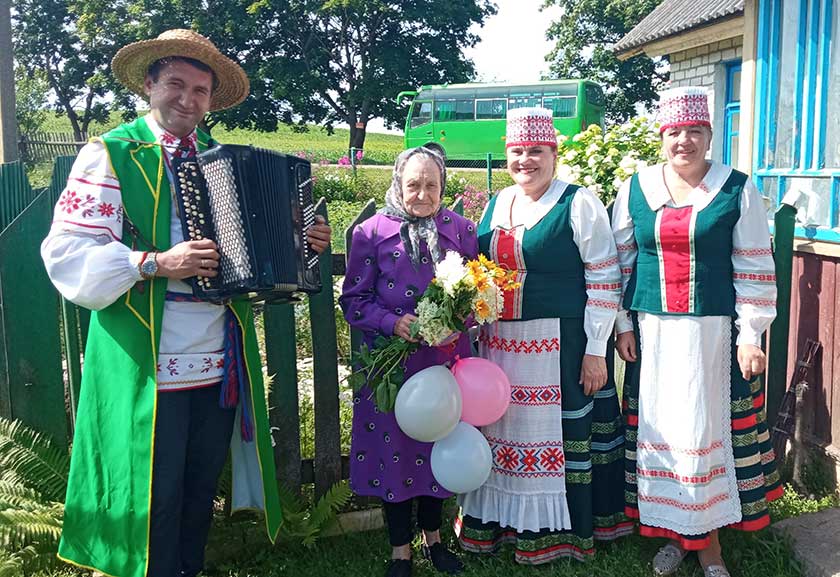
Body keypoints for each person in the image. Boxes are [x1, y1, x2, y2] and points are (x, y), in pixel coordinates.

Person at [41, 29, 332, 577]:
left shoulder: (220, 161)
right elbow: (66, 253)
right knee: (151, 495)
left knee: (199, 490)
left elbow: (251, 258)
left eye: (200, 90)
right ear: (150, 85)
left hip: (217, 359)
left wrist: (300, 242)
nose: (188, 99)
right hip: (145, 359)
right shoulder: (111, 154)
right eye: (176, 84)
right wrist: (154, 262)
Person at [611, 87, 782, 577]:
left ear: (709, 136)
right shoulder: (637, 188)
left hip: (713, 336)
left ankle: (709, 546)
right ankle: (675, 535)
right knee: (659, 433)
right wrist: (623, 323)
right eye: (674, 132)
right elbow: (620, 260)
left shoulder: (735, 188)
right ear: (662, 137)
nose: (683, 141)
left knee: (705, 430)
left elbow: (753, 264)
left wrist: (750, 333)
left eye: (694, 132)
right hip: (653, 334)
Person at [456, 107, 630, 564]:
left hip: (562, 343)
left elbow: (605, 278)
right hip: (500, 347)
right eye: (517, 151)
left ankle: (564, 535)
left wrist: (596, 352)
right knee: (504, 432)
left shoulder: (578, 202)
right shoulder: (496, 203)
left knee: (557, 436)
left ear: (554, 153)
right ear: (506, 154)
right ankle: (503, 528)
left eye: (536, 151)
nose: (525, 160)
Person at [340, 147, 477, 577]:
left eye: (431, 185)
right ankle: (401, 549)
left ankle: (434, 541)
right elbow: (353, 300)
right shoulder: (370, 232)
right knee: (394, 452)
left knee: (439, 443)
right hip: (391, 366)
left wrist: (460, 319)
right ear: (398, 184)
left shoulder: (461, 230)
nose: (422, 194)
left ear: (443, 186)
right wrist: (393, 322)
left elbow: (476, 289)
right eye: (413, 184)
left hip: (444, 361)